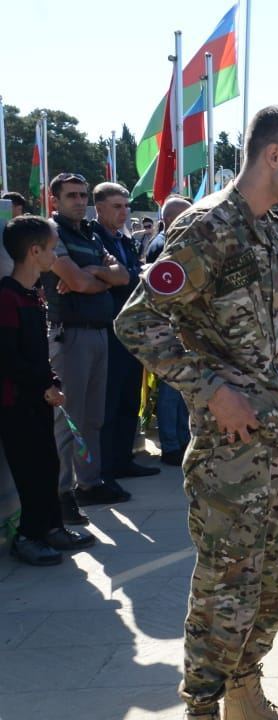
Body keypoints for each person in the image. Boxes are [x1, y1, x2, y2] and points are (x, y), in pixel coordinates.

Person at [114, 105, 278, 720]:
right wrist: (209, 390)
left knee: (274, 584)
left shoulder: (270, 231)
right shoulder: (208, 228)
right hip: (229, 450)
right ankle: (202, 709)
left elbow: (277, 343)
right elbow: (137, 321)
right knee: (226, 588)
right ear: (273, 156)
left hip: (274, 441)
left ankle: (243, 694)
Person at [0, 216, 96, 565]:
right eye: (52, 249)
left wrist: (52, 381)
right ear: (34, 251)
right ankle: (28, 536)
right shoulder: (7, 297)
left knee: (48, 465)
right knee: (30, 471)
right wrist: (43, 386)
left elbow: (38, 353)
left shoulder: (34, 293)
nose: (56, 256)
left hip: (39, 397)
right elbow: (8, 358)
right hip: (17, 402)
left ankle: (51, 527)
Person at [43, 173, 131, 512]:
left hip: (98, 332)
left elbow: (123, 275)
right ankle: (62, 492)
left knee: (93, 417)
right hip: (70, 334)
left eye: (82, 195)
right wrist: (98, 275)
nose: (80, 201)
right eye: (72, 196)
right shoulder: (52, 233)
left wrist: (92, 272)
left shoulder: (91, 234)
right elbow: (77, 282)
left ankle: (89, 483)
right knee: (68, 419)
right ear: (55, 200)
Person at [93, 182, 160, 479]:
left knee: (129, 398)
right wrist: (127, 275)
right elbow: (117, 278)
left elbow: (131, 275)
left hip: (131, 330)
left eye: (126, 206)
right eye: (117, 206)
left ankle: (123, 459)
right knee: (109, 402)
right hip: (107, 328)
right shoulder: (94, 238)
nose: (124, 212)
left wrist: (127, 274)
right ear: (99, 208)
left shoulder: (124, 240)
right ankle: (106, 467)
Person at [150, 198, 195, 467]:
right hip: (167, 327)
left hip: (179, 325)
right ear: (170, 220)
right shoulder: (163, 246)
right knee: (170, 391)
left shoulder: (174, 241)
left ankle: (180, 440)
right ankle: (171, 445)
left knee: (180, 391)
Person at [145, 197, 193, 263]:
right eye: (186, 218)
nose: (191, 221)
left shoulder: (162, 240)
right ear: (170, 220)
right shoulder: (166, 247)